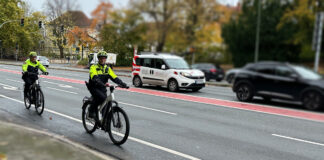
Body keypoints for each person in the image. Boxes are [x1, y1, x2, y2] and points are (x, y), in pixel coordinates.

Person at [87, 51, 128, 121]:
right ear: (98, 59)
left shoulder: (107, 69)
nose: (102, 60)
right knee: (102, 98)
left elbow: (114, 77)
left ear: (106, 59)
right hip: (94, 87)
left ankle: (104, 120)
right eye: (101, 58)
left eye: (104, 58)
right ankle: (91, 112)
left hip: (102, 87)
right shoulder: (93, 67)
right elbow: (94, 76)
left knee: (106, 102)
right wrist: (98, 81)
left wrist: (122, 84)